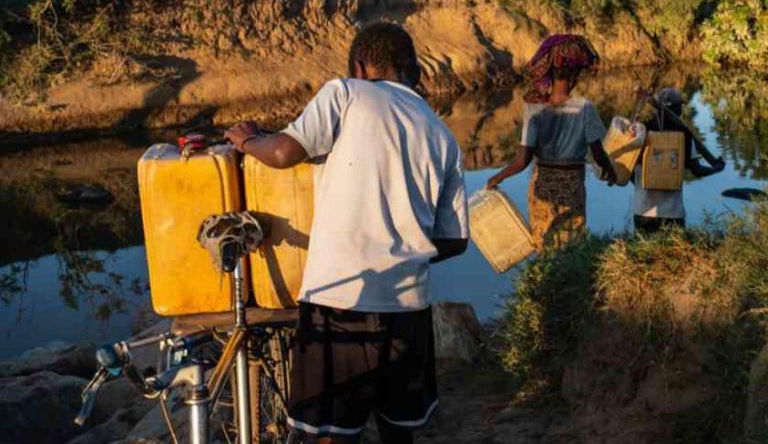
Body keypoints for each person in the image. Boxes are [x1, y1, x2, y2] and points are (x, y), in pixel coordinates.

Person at [225, 23, 469, 444]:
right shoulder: (441, 133)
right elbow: (455, 240)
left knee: (332, 432)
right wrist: (403, 248)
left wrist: (248, 141)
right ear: (411, 70)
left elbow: (283, 152)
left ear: (359, 65)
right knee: (398, 431)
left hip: (342, 300)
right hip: (409, 307)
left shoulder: (347, 93)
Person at [485, 34, 617, 250]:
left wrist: (497, 177)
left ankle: (547, 280)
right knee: (572, 244)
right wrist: (609, 170)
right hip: (571, 186)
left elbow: (522, 160)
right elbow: (598, 153)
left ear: (549, 74)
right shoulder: (585, 108)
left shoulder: (534, 107)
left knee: (544, 240)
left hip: (542, 187)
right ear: (574, 76)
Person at [632, 87, 725, 234]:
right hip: (673, 213)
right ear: (677, 109)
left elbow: (629, 169)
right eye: (680, 106)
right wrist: (716, 169)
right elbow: (697, 170)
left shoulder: (641, 131)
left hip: (643, 209)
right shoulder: (684, 135)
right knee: (673, 256)